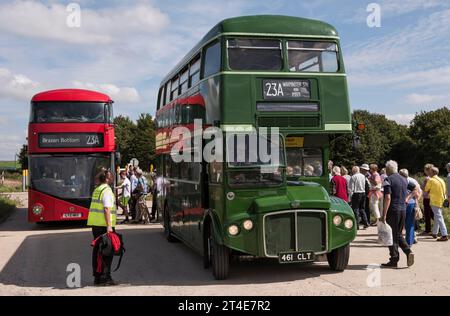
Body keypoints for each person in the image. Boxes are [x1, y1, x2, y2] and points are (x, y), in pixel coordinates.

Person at [381, 160, 415, 269]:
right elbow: (415, 188)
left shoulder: (387, 180)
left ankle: (394, 259)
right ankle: (408, 251)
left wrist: (384, 215)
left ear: (387, 169)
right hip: (403, 209)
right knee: (398, 234)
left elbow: (387, 197)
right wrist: (407, 198)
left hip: (393, 210)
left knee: (391, 235)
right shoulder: (404, 179)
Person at [87, 170, 118, 286]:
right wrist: (109, 226)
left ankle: (97, 277)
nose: (113, 178)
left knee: (97, 252)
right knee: (107, 252)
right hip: (104, 227)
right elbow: (106, 209)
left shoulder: (97, 189)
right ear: (107, 179)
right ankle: (106, 277)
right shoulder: (107, 191)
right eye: (111, 177)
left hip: (96, 226)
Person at [424, 167, 448, 242]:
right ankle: (435, 233)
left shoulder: (431, 180)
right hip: (441, 200)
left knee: (439, 217)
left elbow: (426, 190)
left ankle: (444, 235)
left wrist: (426, 182)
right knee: (437, 216)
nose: (428, 173)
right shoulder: (441, 180)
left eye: (430, 172)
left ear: (432, 173)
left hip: (434, 201)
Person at [399, 169, 421, 246]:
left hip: (406, 204)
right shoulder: (411, 180)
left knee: (404, 223)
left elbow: (415, 190)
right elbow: (416, 190)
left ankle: (406, 242)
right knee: (409, 223)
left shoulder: (406, 181)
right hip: (410, 203)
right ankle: (409, 241)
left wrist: (407, 198)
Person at [420, 164, 435, 235]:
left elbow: (426, 188)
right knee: (432, 213)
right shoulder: (433, 177)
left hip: (427, 198)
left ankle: (427, 230)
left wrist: (422, 187)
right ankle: (438, 227)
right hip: (431, 197)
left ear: (427, 170)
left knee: (427, 214)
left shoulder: (427, 178)